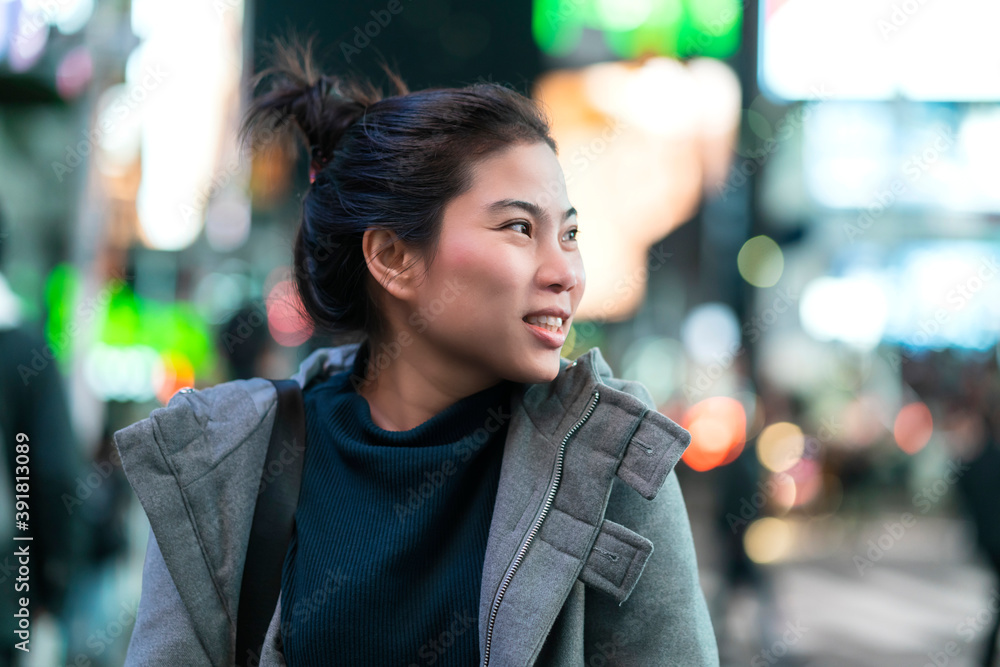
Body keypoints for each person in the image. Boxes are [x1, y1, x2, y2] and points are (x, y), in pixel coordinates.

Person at [113, 34, 719, 666]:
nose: (566, 271)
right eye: (519, 227)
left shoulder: (609, 457)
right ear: (394, 258)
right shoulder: (228, 458)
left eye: (569, 233)